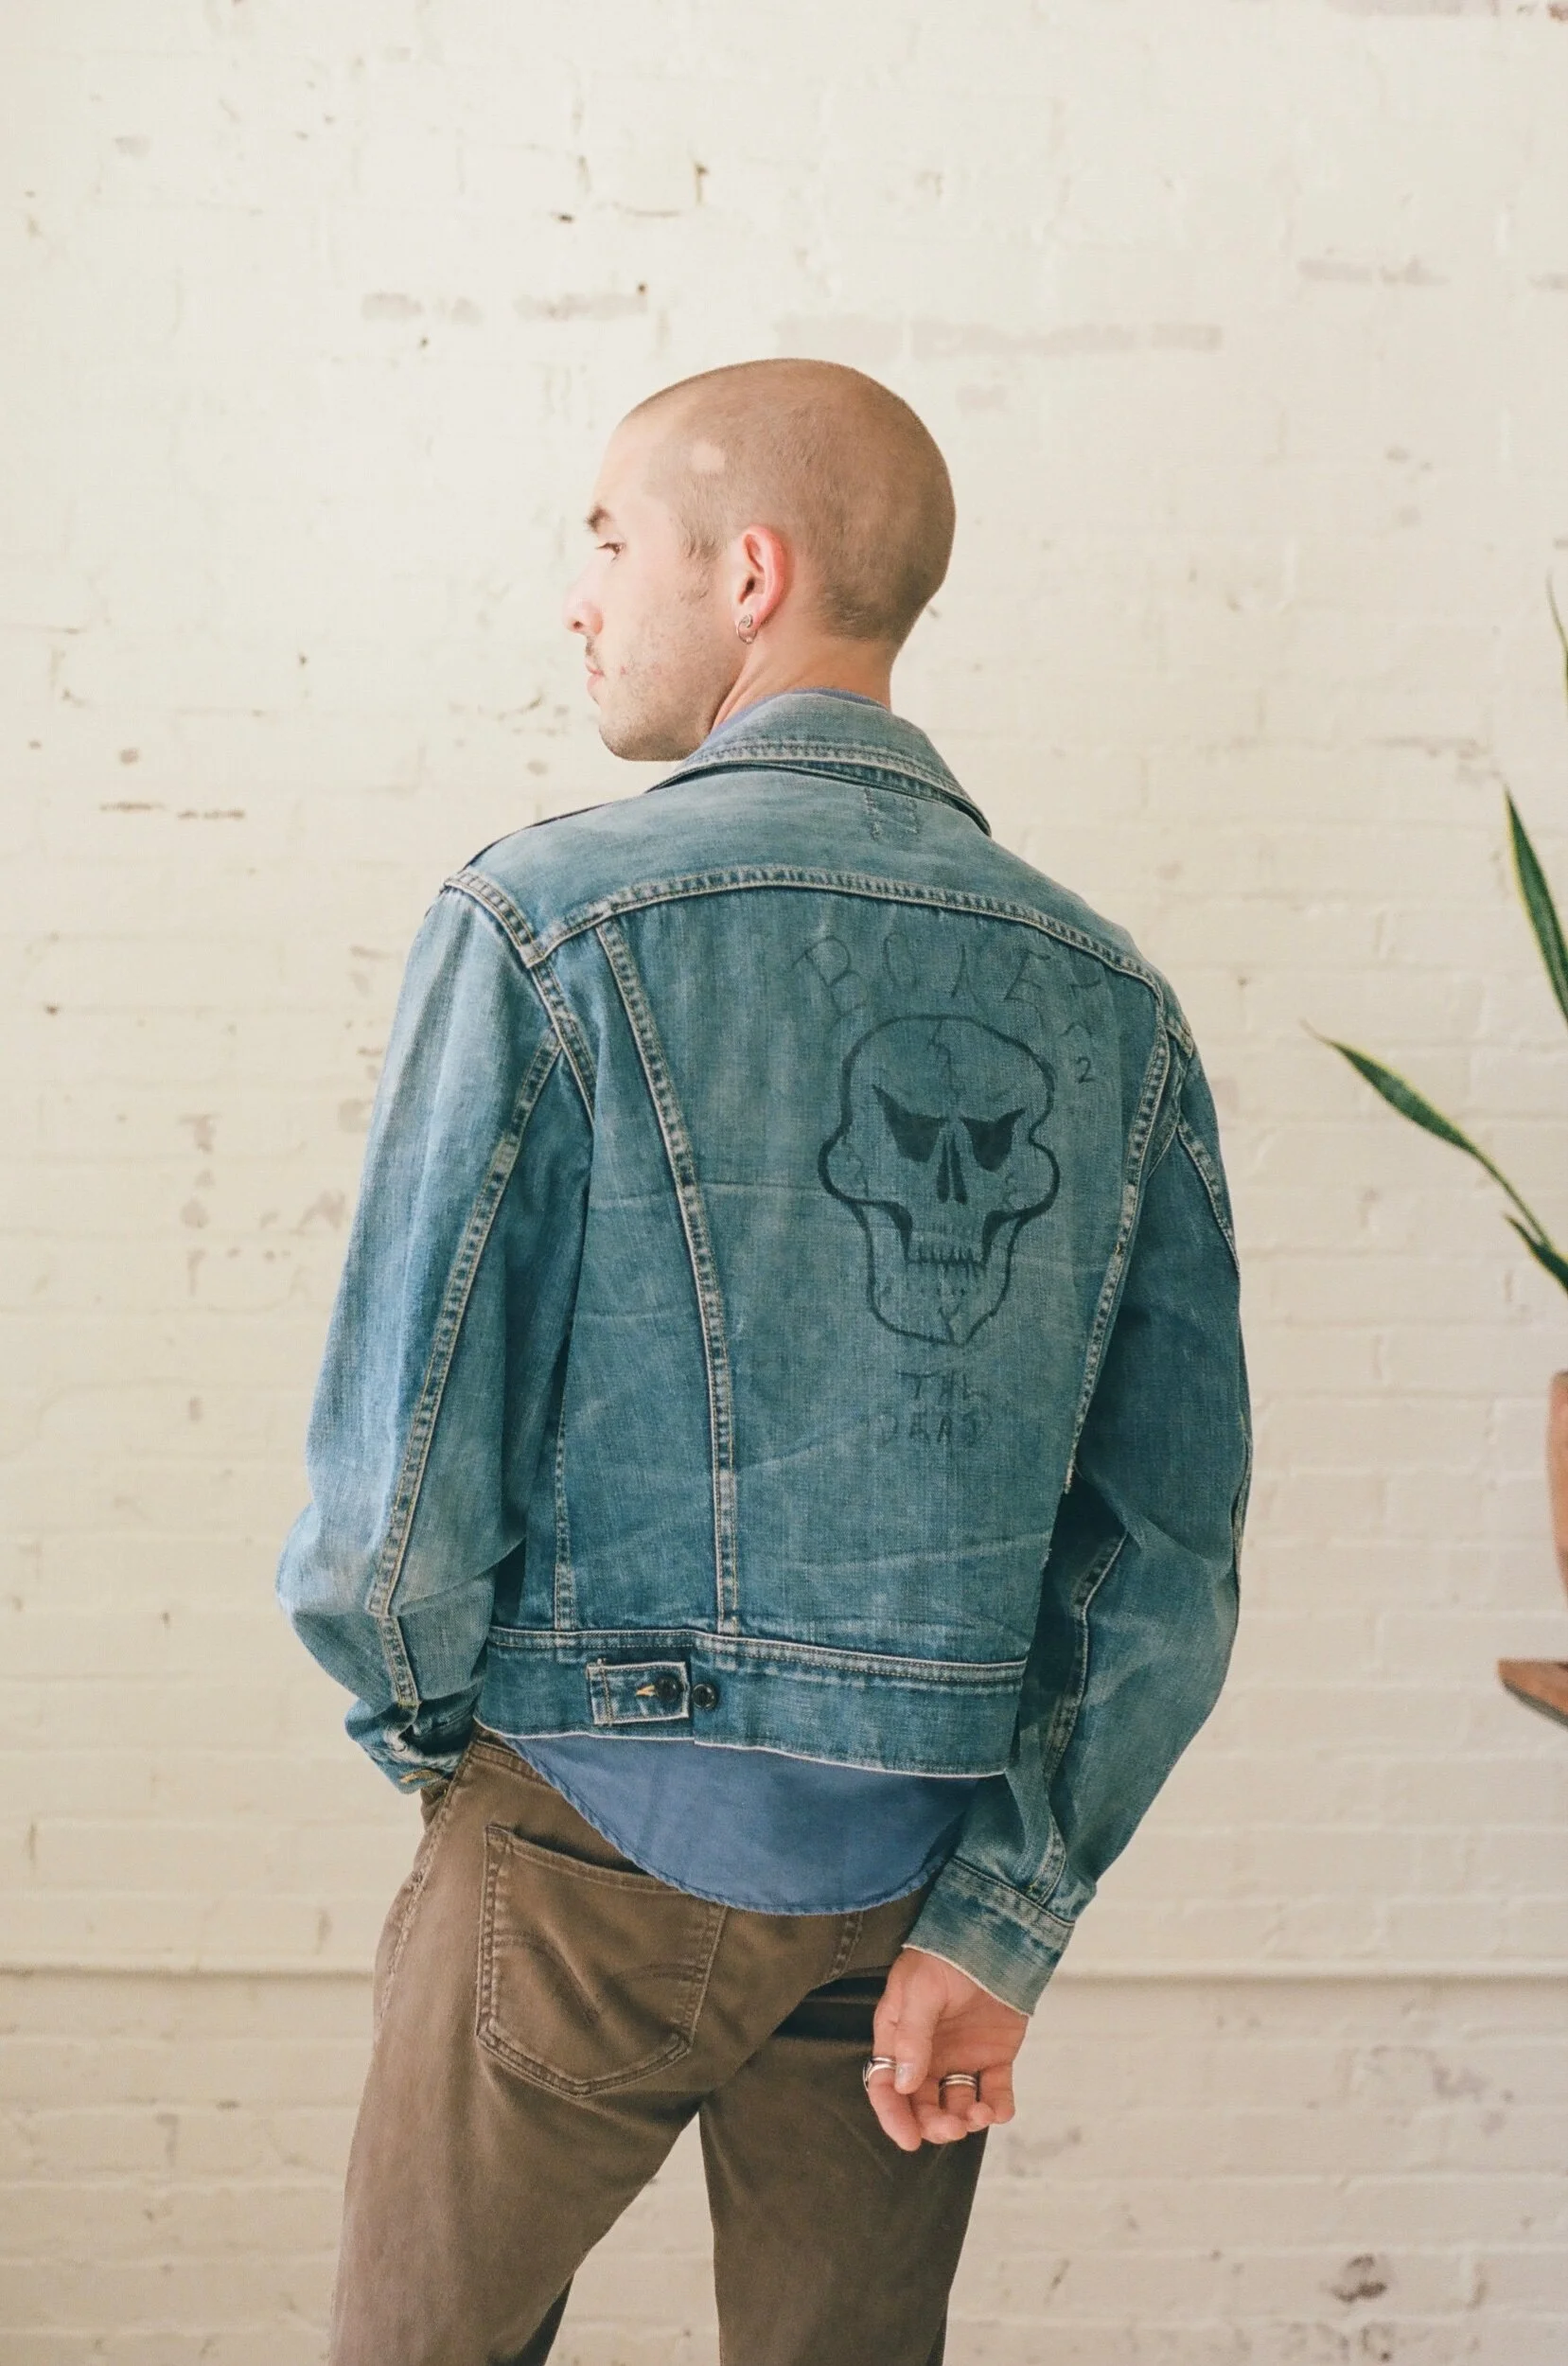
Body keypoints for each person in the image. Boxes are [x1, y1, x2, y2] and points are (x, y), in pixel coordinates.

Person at [278, 358, 1250, 2366]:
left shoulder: (545, 922)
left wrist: (445, 1752)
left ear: (750, 573)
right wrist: (1007, 1909)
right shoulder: (1115, 1004)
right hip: (915, 1885)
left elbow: (396, 1490)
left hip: (573, 1829)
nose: (578, 595)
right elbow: (1166, 1542)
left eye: (607, 539)